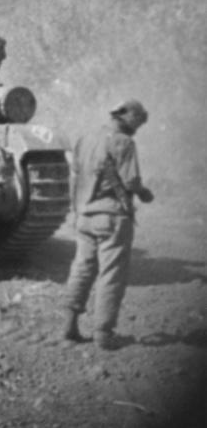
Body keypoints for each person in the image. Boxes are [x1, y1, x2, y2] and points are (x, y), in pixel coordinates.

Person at [62, 99, 155, 350]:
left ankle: (69, 326)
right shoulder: (124, 142)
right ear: (127, 117)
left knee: (81, 269)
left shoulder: (86, 138)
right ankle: (103, 333)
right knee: (111, 275)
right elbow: (131, 181)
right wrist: (144, 193)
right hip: (111, 217)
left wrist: (76, 209)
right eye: (138, 121)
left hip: (85, 216)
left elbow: (75, 176)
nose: (138, 128)